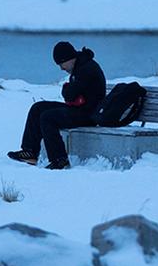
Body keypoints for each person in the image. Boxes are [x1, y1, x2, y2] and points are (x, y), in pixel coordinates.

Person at [8, 41, 106, 170]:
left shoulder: (86, 69)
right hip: (79, 109)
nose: (61, 68)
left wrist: (67, 89)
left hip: (90, 115)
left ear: (68, 58)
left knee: (48, 117)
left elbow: (69, 95)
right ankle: (30, 152)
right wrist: (69, 90)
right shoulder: (80, 66)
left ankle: (59, 159)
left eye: (61, 64)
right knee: (38, 108)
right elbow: (72, 94)